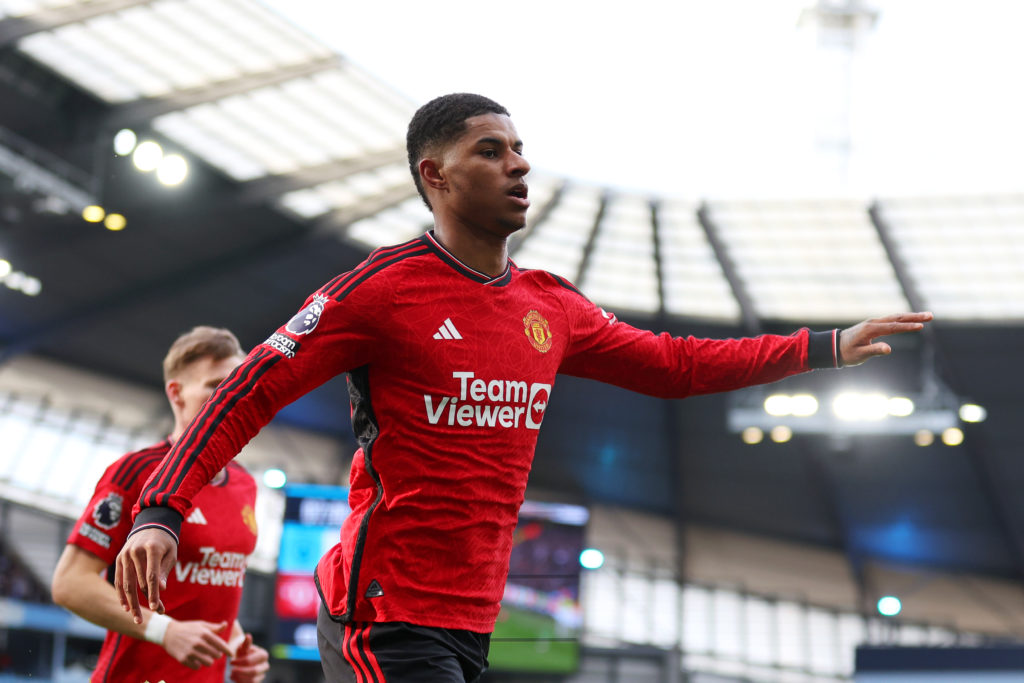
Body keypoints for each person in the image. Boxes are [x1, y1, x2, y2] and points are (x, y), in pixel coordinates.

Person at [114, 94, 932, 682]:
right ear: (435, 175)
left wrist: (821, 346)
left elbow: (677, 365)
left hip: (473, 620)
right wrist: (160, 507)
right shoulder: (378, 293)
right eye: (492, 150)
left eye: (518, 148)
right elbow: (252, 385)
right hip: (383, 611)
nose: (521, 163)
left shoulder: (551, 307)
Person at [52, 326, 270, 682]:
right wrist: (164, 630)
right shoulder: (135, 472)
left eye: (239, 385)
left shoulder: (244, 483)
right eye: (216, 386)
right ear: (177, 393)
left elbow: (210, 586)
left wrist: (239, 647)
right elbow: (70, 583)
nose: (232, 397)